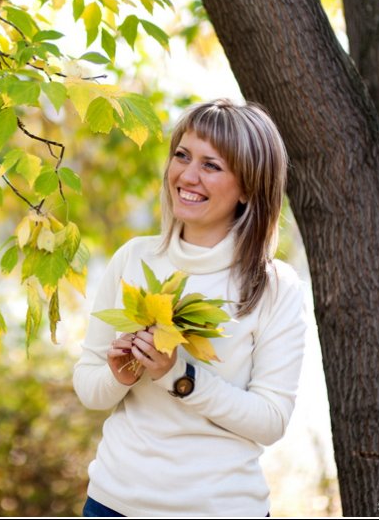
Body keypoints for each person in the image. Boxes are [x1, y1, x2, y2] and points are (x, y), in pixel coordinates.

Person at [73, 99, 308, 517]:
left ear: (249, 186)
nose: (188, 175)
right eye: (182, 156)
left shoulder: (275, 287)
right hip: (113, 504)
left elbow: (271, 420)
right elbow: (89, 388)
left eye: (211, 165)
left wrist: (179, 376)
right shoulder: (133, 259)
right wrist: (119, 376)